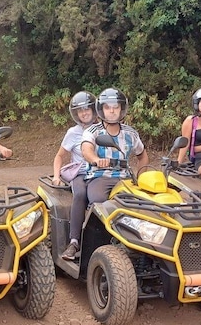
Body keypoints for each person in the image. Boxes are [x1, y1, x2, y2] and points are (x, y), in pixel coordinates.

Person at [62, 88, 149, 261]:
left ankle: (142, 246)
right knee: (98, 201)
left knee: (143, 205)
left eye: (115, 107)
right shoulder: (93, 131)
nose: (112, 110)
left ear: (121, 109)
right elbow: (86, 149)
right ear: (101, 109)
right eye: (108, 107)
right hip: (99, 176)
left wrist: (141, 175)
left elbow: (142, 155)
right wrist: (96, 159)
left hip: (124, 179)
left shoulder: (131, 133)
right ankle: (80, 242)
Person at [52, 91, 97, 259]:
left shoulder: (102, 129)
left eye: (87, 109)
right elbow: (59, 156)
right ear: (76, 114)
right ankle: (74, 242)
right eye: (80, 110)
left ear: (94, 110)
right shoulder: (73, 132)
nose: (84, 113)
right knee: (80, 194)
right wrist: (56, 176)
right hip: (81, 173)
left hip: (100, 174)